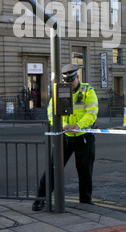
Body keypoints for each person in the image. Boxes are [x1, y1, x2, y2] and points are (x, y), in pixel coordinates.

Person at [32, 64, 99, 211]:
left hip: (83, 137)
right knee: (53, 169)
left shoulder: (88, 91)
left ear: (78, 77)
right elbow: (51, 112)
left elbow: (92, 112)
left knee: (85, 172)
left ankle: (85, 200)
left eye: (72, 80)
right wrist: (61, 124)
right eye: (67, 81)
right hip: (65, 137)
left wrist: (79, 125)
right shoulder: (59, 91)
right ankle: (41, 199)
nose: (69, 84)